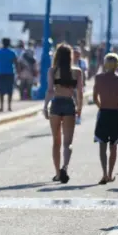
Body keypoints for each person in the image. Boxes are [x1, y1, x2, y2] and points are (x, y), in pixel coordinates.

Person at [43, 43, 83, 184]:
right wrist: (79, 108)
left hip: (56, 104)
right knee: (68, 143)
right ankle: (64, 167)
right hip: (68, 104)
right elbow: (79, 93)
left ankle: (57, 173)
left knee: (56, 142)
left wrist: (44, 106)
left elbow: (49, 90)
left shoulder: (52, 71)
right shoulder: (77, 72)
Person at [93, 53, 118, 184]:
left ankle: (104, 173)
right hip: (116, 113)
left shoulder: (98, 78)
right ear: (117, 65)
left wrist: (101, 106)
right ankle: (110, 174)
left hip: (103, 112)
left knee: (102, 145)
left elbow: (94, 98)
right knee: (114, 145)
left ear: (105, 64)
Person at [0, 38, 18, 112]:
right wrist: (18, 72)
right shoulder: (12, 52)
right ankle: (9, 106)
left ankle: (1, 107)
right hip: (10, 73)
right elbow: (16, 63)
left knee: (1, 90)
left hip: (1, 73)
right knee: (10, 90)